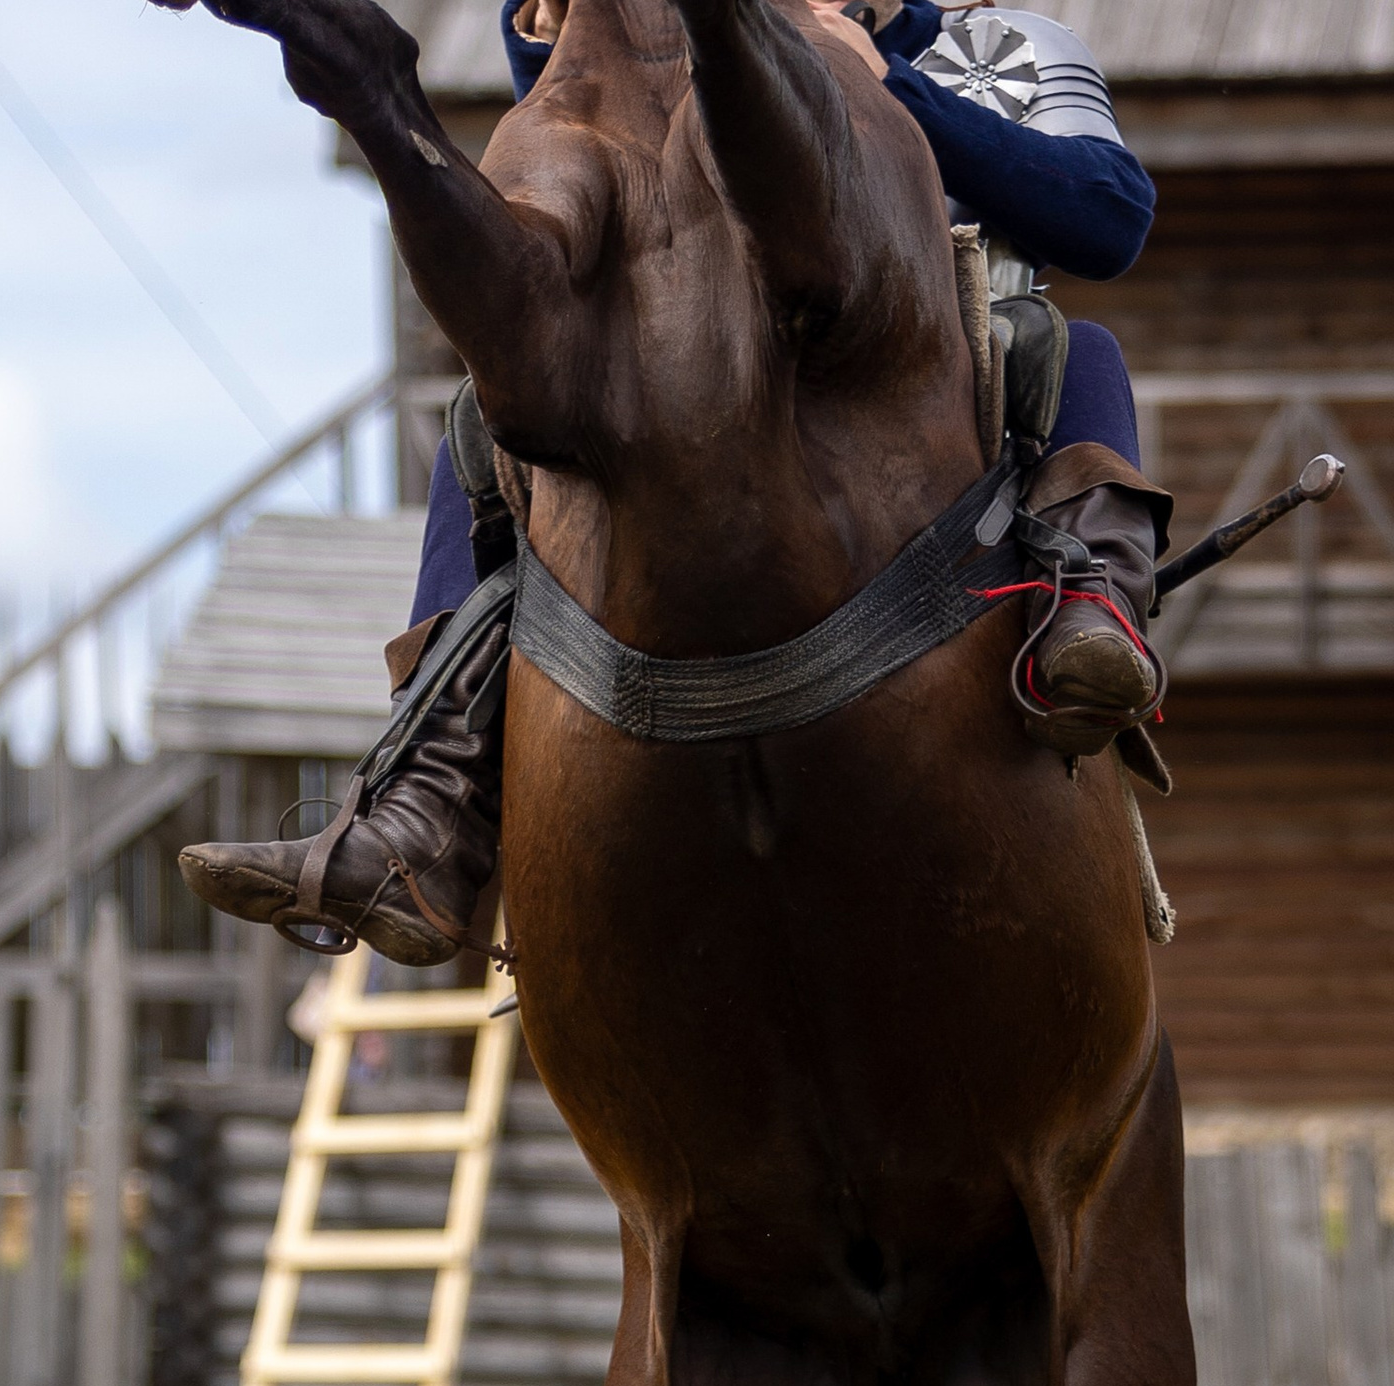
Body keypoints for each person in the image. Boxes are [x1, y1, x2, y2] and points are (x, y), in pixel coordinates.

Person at [183, 0, 1176, 965]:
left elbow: (1108, 218)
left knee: (1073, 346)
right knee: (476, 422)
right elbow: (578, 159)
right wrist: (554, 34)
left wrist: (897, 92)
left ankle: (1091, 607)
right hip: (682, 361)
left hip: (929, 363)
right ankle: (432, 795)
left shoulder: (987, 46)